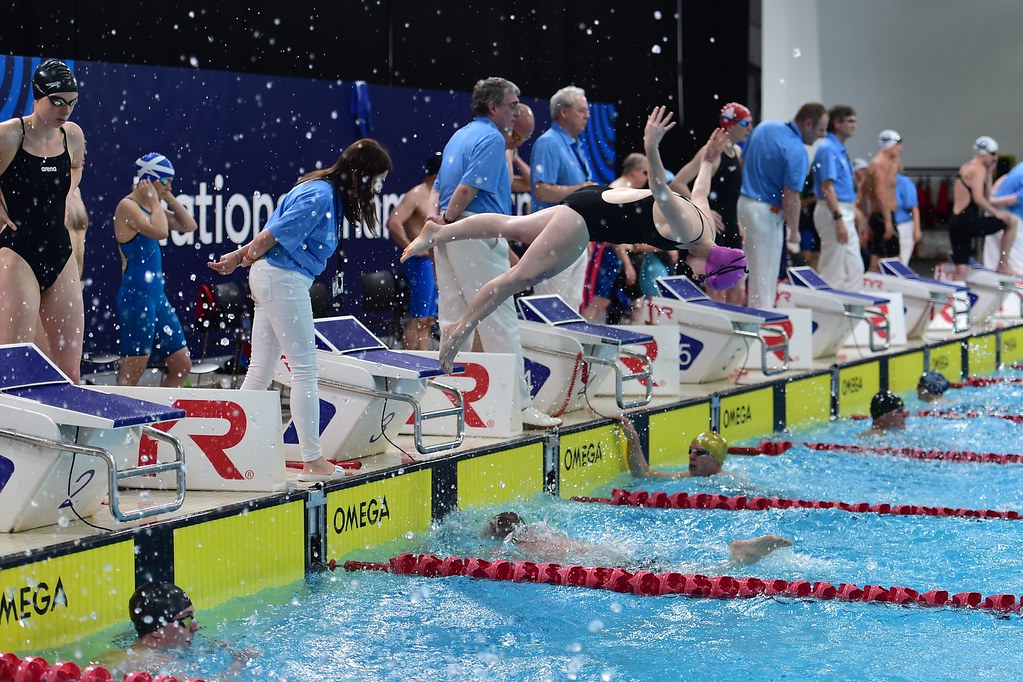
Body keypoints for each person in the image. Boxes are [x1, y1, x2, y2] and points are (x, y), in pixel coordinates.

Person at [402, 107, 747, 372]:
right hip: (587, 222)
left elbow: (701, 189)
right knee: (518, 276)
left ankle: (439, 232)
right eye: (706, 275)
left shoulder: (706, 231)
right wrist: (651, 148)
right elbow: (661, 191)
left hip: (591, 205)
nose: (699, 276)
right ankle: (459, 329)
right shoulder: (689, 230)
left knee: (514, 226)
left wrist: (709, 161)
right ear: (716, 263)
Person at [209, 138, 393, 481]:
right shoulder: (320, 195)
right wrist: (238, 257)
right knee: (305, 372)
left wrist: (240, 258)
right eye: (378, 180)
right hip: (282, 280)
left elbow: (270, 237)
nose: (379, 189)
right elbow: (270, 236)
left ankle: (231, 452)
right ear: (360, 174)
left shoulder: (323, 191)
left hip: (274, 279)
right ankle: (313, 461)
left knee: (260, 373)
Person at [428, 77, 559, 429]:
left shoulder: (459, 135)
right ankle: (519, 406)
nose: (517, 112)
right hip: (476, 231)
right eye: (513, 105)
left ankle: (446, 407)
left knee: (454, 320)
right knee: (499, 320)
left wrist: (438, 224)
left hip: (449, 235)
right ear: (494, 107)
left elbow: (437, 189)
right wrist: (454, 220)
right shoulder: (489, 138)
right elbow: (466, 189)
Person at [0, 59, 86, 382]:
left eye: (72, 102)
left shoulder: (72, 137)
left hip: (59, 253)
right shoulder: (9, 136)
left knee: (70, 372)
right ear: (38, 97)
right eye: (58, 101)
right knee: (15, 370)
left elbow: (76, 165)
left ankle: (64, 433)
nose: (66, 110)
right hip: (17, 254)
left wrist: (68, 191)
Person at [115, 153, 198, 387]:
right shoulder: (127, 207)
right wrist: (153, 200)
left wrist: (166, 195)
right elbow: (161, 231)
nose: (170, 186)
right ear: (148, 179)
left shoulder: (153, 208)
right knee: (134, 368)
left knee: (182, 365)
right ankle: (121, 422)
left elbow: (189, 225)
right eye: (165, 181)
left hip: (156, 297)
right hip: (136, 297)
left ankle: (162, 422)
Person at [737, 102, 828, 308]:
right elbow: (790, 197)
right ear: (808, 124)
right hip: (765, 213)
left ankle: (734, 313)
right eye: (821, 130)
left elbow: (741, 163)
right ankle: (761, 324)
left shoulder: (764, 128)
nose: (822, 136)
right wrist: (794, 231)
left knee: (738, 272)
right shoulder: (797, 151)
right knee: (764, 276)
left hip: (741, 205)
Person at [483, 511, 792, 566]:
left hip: (599, 564)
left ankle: (736, 560)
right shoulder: (542, 531)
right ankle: (734, 559)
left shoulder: (516, 548)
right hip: (608, 554)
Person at [670, 102, 753, 304]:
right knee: (716, 287)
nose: (750, 128)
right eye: (745, 123)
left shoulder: (737, 153)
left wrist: (738, 223)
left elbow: (730, 195)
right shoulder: (711, 153)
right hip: (714, 230)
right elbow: (677, 183)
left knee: (738, 286)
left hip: (731, 226)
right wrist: (701, 211)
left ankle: (736, 330)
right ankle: (716, 331)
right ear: (730, 125)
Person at [96, 581, 255, 679]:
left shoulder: (113, 655)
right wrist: (238, 664)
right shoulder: (156, 665)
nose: (195, 626)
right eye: (185, 619)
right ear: (157, 631)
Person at [529, 86, 598, 313]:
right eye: (581, 110)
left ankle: (567, 350)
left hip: (576, 236)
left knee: (572, 304)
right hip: (553, 237)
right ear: (564, 112)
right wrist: (582, 189)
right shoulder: (548, 143)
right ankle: (542, 349)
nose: (587, 115)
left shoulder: (576, 145)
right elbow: (541, 190)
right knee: (551, 305)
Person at [583, 152, 650, 323]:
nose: (647, 178)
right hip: (611, 254)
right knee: (599, 302)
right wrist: (627, 264)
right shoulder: (618, 190)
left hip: (620, 254)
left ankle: (637, 345)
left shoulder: (628, 190)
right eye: (645, 173)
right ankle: (577, 339)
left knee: (636, 302)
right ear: (634, 171)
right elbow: (612, 233)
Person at [386, 152, 442, 350]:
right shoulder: (417, 194)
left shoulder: (439, 196)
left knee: (427, 320)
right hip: (421, 263)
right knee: (418, 317)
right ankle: (410, 362)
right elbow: (393, 222)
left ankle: (423, 366)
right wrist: (410, 246)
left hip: (434, 262)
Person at [948, 136, 1018, 279]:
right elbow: (979, 198)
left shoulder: (967, 166)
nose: (995, 158)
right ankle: (1003, 264)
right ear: (983, 153)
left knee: (961, 268)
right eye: (993, 154)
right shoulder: (979, 169)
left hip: (956, 223)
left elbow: (988, 195)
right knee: (1011, 222)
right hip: (968, 223)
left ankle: (956, 296)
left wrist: (990, 172)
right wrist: (996, 213)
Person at [812, 105, 862, 290]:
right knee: (833, 270)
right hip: (833, 210)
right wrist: (839, 218)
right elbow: (827, 187)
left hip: (842, 209)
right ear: (837, 124)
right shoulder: (827, 148)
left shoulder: (838, 148)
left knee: (854, 269)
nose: (854, 125)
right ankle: (826, 313)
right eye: (850, 121)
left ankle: (848, 314)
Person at [616, 414, 729, 478]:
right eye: (690, 451)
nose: (691, 456)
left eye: (699, 452)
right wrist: (633, 439)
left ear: (716, 459)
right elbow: (642, 474)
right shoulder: (685, 477)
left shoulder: (728, 482)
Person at [858, 130, 904, 272]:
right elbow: (880, 193)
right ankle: (889, 287)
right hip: (882, 216)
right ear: (890, 145)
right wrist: (888, 221)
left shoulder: (891, 162)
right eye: (898, 144)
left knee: (878, 255)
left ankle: (871, 285)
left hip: (883, 215)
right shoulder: (878, 163)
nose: (901, 148)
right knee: (894, 257)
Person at [984, 159, 1023, 272]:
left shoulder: (1020, 166)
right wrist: (991, 201)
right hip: (1009, 216)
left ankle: (996, 271)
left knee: (993, 257)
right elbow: (1012, 200)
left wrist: (993, 196)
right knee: (1017, 265)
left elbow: (1004, 178)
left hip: (997, 211)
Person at [506, 102, 535, 195]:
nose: (519, 143)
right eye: (516, 136)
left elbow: (532, 185)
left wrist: (516, 158)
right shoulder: (489, 146)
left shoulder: (509, 149)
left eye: (524, 139)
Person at [894, 170, 921, 265]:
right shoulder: (880, 180)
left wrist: (917, 230)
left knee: (901, 261)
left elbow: (914, 207)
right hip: (888, 225)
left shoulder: (903, 182)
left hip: (903, 225)